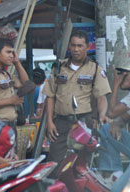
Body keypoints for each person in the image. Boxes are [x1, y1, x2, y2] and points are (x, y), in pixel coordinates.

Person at [42, 30, 111, 177]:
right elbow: (50, 96)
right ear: (69, 46)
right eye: (73, 45)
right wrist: (49, 122)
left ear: (87, 47)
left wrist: (103, 114)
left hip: (83, 123)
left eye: (80, 46)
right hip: (59, 122)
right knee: (55, 163)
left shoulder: (95, 69)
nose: (76, 49)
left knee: (81, 164)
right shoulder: (58, 67)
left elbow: (101, 97)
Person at [98, 58, 130, 192]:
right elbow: (123, 118)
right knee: (106, 129)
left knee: (118, 190)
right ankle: (114, 174)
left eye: (125, 74)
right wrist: (116, 124)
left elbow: (111, 112)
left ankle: (118, 182)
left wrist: (115, 85)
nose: (121, 77)